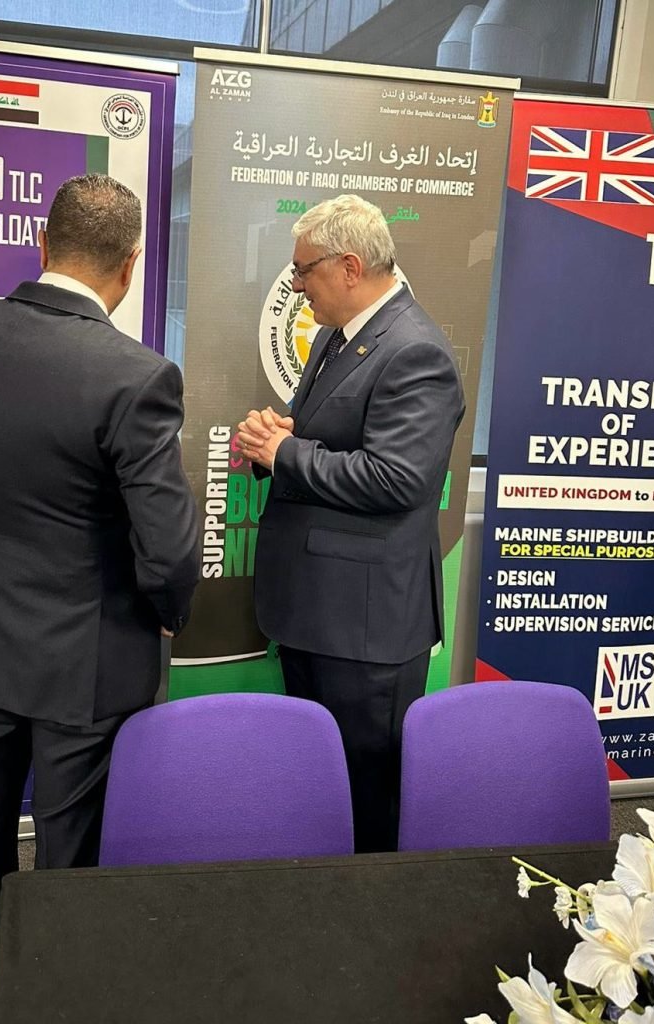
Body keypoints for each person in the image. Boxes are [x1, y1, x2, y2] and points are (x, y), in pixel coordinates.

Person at [0, 174, 200, 1023]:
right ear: (131, 264)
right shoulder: (137, 377)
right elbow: (169, 550)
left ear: (41, 243)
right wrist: (167, 616)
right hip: (85, 659)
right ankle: (52, 1004)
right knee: (71, 843)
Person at [237, 194, 464, 854]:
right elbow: (332, 442)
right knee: (319, 784)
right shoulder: (338, 337)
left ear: (348, 266)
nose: (296, 284)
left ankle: (369, 911)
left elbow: (397, 480)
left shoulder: (415, 351)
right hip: (318, 612)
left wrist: (285, 452)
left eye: (302, 269)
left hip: (365, 626)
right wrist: (276, 441)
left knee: (366, 797)